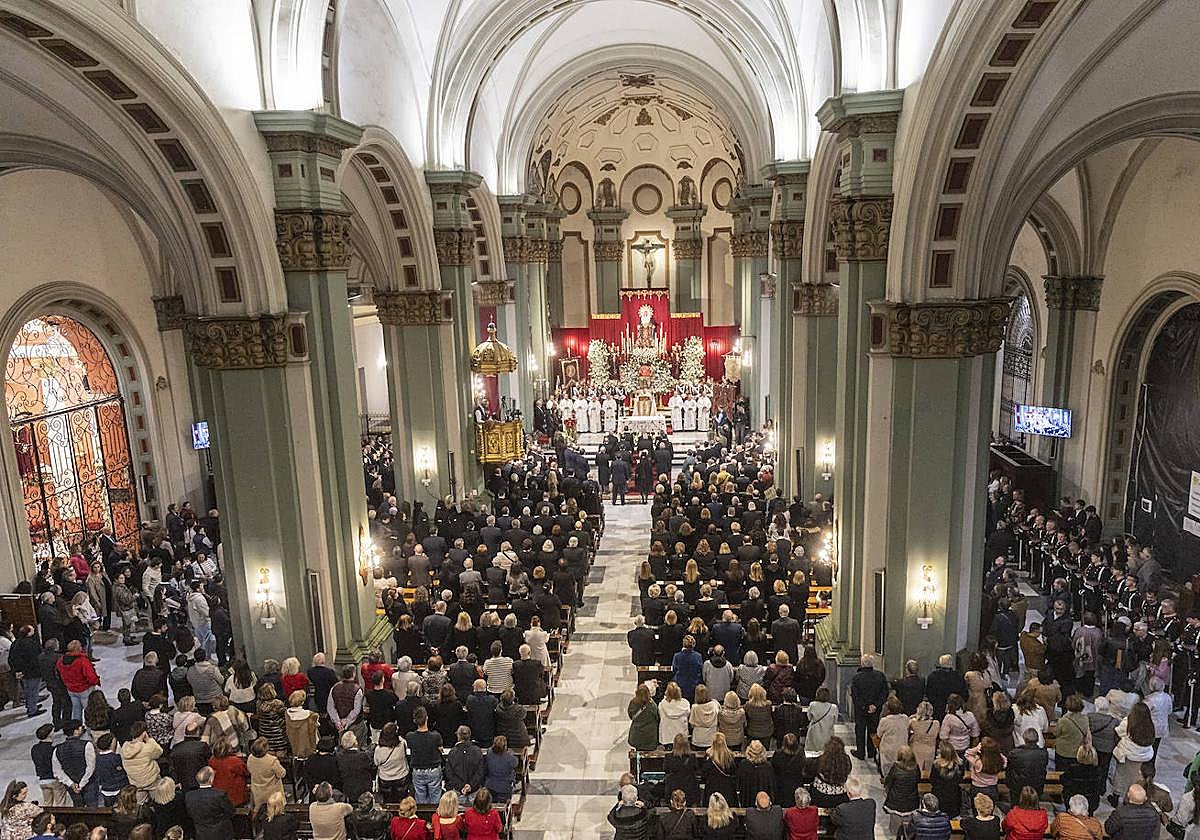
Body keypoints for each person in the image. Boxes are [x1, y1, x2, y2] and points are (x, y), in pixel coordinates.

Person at [849, 653, 887, 761]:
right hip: (875, 709)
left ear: (862, 664)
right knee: (873, 730)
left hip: (861, 710)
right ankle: (872, 752)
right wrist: (875, 705)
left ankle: (860, 752)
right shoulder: (880, 676)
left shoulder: (857, 678)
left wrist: (865, 707)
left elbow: (855, 696)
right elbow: (884, 692)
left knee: (860, 730)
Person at [54, 718, 98, 805]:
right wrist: (81, 784)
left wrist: (71, 784)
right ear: (76, 731)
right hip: (89, 783)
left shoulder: (57, 749)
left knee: (78, 807)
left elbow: (57, 771)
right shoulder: (87, 745)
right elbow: (91, 767)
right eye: (81, 727)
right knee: (92, 808)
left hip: (72, 785)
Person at [186, 767, 235, 840]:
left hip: (201, 834)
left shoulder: (189, 795)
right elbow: (231, 811)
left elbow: (190, 814)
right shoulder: (220, 795)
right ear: (211, 779)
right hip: (221, 834)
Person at [57, 640, 100, 722]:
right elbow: (91, 676)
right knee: (89, 711)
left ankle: (77, 729)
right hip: (84, 689)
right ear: (78, 649)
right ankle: (90, 729)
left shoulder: (61, 660)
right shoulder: (82, 661)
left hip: (71, 689)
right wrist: (96, 681)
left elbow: (59, 673)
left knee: (76, 711)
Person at [882, 746, 920, 835]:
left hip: (896, 800)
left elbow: (889, 781)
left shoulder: (896, 767)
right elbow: (918, 779)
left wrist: (887, 791)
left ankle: (895, 833)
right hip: (911, 800)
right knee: (908, 825)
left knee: (895, 826)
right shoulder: (916, 767)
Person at [207, 738, 248, 807]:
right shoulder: (235, 761)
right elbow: (245, 772)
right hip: (234, 795)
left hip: (218, 794)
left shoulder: (211, 760)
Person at [247, 737, 286, 808]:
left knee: (260, 812)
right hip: (272, 793)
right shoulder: (272, 760)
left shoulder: (250, 758)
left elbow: (249, 769)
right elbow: (281, 774)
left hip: (258, 792)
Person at [876, 695, 910, 777]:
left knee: (888, 771)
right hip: (902, 748)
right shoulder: (905, 718)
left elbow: (879, 734)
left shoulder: (885, 720)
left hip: (888, 750)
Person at [929, 742, 964, 819]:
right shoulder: (960, 765)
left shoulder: (936, 765)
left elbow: (932, 780)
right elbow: (961, 779)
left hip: (939, 796)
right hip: (954, 797)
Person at [484, 735, 518, 804]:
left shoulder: (489, 752)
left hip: (491, 785)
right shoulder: (509, 757)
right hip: (504, 787)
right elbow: (515, 763)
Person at [627, 683, 659, 751]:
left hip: (637, 735)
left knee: (638, 751)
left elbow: (631, 716)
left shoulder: (633, 702)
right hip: (650, 736)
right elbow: (657, 718)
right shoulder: (652, 706)